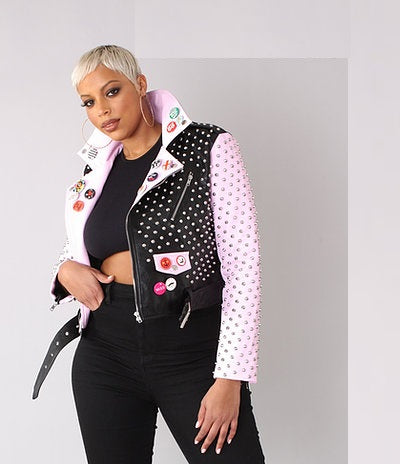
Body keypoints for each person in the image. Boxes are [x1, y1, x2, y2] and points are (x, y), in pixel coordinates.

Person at [33, 44, 265, 463]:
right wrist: (64, 269)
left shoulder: (207, 146)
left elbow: (243, 266)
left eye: (112, 91)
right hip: (106, 350)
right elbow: (79, 245)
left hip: (189, 348)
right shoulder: (97, 167)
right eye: (89, 102)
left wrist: (231, 376)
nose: (102, 109)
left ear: (140, 84)